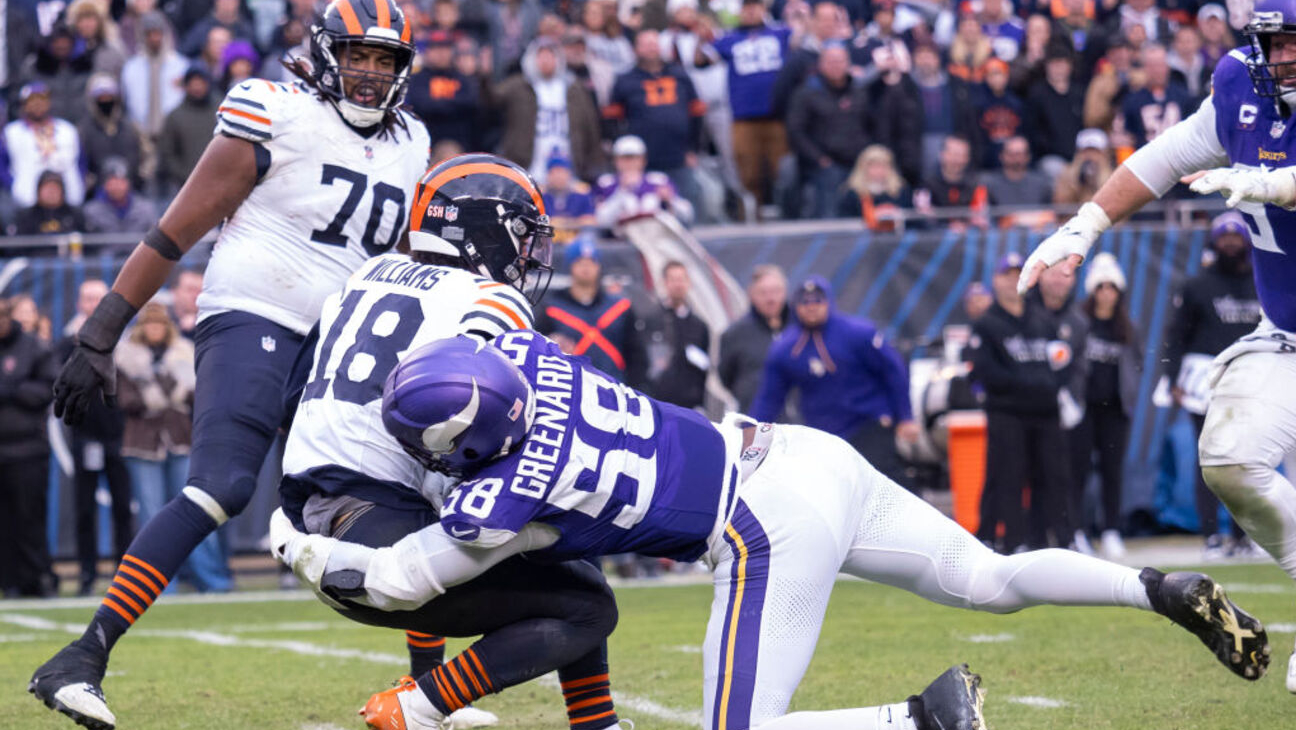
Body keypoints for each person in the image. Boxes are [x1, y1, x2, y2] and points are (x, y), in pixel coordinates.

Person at [272, 329, 1271, 730]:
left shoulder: (502, 497)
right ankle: (1154, 588)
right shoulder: (534, 359)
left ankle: (914, 721)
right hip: (802, 453)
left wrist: (307, 547)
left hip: (760, 527)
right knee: (996, 576)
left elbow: (403, 581)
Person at [29, 2, 432, 728]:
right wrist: (100, 333)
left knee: (404, 490)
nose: (371, 73)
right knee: (223, 484)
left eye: (386, 61)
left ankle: (430, 690)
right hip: (254, 313)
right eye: (359, 56)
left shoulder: (412, 141)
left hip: (339, 338)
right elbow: (177, 225)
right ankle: (81, 658)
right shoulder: (272, 108)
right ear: (324, 54)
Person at [280, 154, 622, 730]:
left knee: (481, 520)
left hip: (312, 508)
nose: (526, 255)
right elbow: (472, 410)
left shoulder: (364, 274)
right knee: (586, 603)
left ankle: (585, 722)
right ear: (479, 228)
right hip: (375, 528)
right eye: (519, 236)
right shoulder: (490, 301)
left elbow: (292, 399)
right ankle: (422, 705)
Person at [1015, 0, 1296, 691]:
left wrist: (1265, 184)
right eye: (1277, 44)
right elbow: (1166, 156)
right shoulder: (1239, 82)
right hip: (1287, 333)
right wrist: (1084, 225)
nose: (1287, 56)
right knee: (1231, 458)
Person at [750, 276, 918, 488]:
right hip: (824, 433)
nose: (812, 307)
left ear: (829, 302)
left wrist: (905, 417)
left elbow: (893, 372)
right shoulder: (785, 347)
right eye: (805, 302)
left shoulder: (859, 333)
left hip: (868, 423)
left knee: (884, 483)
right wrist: (753, 433)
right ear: (795, 306)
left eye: (818, 301)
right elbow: (769, 397)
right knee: (836, 489)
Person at [1162, 212, 1264, 560]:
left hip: (1253, 379)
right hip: (1205, 379)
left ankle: (1242, 536)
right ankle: (1211, 536)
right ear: (1213, 242)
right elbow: (1175, 336)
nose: (1231, 242)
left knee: (1248, 459)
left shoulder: (1262, 283)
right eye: (1224, 236)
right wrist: (1171, 378)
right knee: (1210, 459)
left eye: (1237, 236)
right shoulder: (1196, 285)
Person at [116, 302, 230, 593]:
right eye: (149, 324)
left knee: (195, 510)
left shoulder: (184, 352)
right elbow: (127, 400)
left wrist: (162, 390)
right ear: (142, 327)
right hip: (142, 443)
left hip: (179, 439)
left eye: (160, 323)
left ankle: (211, 579)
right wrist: (160, 394)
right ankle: (160, 585)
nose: (155, 329)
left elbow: (198, 393)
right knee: (151, 515)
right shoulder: (126, 356)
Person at [971, 254, 1072, 553]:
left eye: (1019, 274)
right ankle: (1012, 541)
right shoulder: (987, 324)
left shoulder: (1042, 320)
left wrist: (1050, 386)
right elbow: (986, 371)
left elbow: (1062, 360)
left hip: (1045, 412)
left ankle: (1049, 540)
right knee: (1008, 475)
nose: (1012, 280)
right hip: (1007, 412)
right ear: (996, 280)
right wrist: (1031, 383)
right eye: (1007, 274)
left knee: (1052, 476)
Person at [57, 281, 134, 598]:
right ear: (79, 303)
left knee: (122, 509)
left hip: (118, 435)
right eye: (87, 298)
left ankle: (123, 576)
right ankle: (87, 573)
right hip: (85, 436)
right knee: (85, 510)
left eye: (98, 299)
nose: (92, 304)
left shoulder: (126, 342)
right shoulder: (67, 343)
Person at [1072, 254, 1141, 559]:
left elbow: (1136, 365)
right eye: (1100, 287)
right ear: (1092, 290)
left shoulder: (1127, 327)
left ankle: (1111, 530)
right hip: (1082, 409)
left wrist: (1131, 397)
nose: (1106, 293)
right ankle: (1078, 531)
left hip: (1114, 410)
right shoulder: (1078, 321)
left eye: (1111, 288)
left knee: (1112, 472)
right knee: (1078, 473)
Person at [536, 234, 649, 389]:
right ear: (571, 266)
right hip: (570, 390)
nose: (586, 268)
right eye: (580, 262)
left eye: (591, 262)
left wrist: (636, 391)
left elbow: (636, 355)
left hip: (613, 390)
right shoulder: (552, 309)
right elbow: (538, 349)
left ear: (599, 266)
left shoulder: (620, 308)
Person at [0, 298, 58, 598]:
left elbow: (49, 388)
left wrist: (13, 389)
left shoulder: (33, 346)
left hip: (28, 449)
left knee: (30, 517)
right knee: (4, 523)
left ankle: (36, 579)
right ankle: (9, 582)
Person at [718, 264, 789, 412]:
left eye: (776, 291)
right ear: (751, 294)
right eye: (763, 292)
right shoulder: (735, 334)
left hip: (800, 425)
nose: (771, 298)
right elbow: (726, 377)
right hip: (755, 421)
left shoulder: (800, 329)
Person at [3, 82, 85, 209]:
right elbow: (2, 165)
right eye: (32, 101)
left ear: (49, 102)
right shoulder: (11, 132)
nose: (37, 104)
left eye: (42, 99)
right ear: (24, 105)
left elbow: (81, 162)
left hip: (69, 199)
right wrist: (13, 185)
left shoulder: (67, 129)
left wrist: (79, 183)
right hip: (26, 199)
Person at [646, 261, 710, 410]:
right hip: (657, 403)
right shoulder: (651, 320)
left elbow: (704, 367)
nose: (678, 285)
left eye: (681, 279)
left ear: (688, 283)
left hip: (689, 404)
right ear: (664, 283)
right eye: (673, 280)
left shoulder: (699, 326)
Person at [594, 134, 695, 227]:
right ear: (615, 160)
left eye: (634, 158)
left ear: (643, 159)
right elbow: (601, 221)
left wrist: (670, 200)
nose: (629, 163)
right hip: (619, 239)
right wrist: (622, 191)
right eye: (624, 158)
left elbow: (688, 215)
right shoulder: (606, 183)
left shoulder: (658, 181)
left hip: (657, 237)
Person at [157, 68, 219, 194]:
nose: (197, 87)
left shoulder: (220, 112)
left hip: (220, 182)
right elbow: (167, 153)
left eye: (201, 82)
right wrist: (185, 175)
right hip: (185, 187)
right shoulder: (175, 116)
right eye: (193, 83)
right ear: (185, 86)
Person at [84, 158, 159, 235]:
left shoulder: (145, 209)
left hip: (140, 247)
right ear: (105, 184)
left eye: (121, 181)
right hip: (107, 247)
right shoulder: (91, 211)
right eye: (113, 181)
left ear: (128, 183)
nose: (117, 186)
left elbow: (155, 238)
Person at [13, 171, 86, 239]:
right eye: (47, 188)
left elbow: (91, 244)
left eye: (55, 188)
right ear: (38, 191)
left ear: (62, 192)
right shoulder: (26, 217)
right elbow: (15, 246)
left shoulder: (75, 215)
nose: (51, 192)